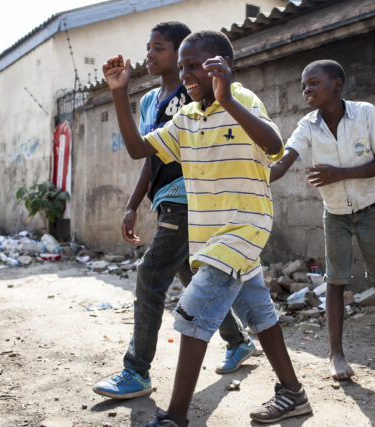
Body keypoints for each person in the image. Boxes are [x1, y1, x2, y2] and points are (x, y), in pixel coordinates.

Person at [103, 30, 312, 426]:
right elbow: (137, 150)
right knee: (258, 313)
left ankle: (175, 416)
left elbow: (273, 147)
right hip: (208, 235)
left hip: (245, 227)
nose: (185, 74)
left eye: (194, 66)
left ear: (219, 66)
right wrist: (118, 92)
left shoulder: (244, 100)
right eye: (182, 67)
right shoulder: (186, 119)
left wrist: (228, 98)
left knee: (194, 310)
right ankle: (292, 392)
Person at [92, 22, 258, 402]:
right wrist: (134, 204)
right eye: (147, 47)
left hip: (192, 198)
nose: (149, 54)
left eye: (159, 48)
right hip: (165, 197)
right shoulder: (150, 101)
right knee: (187, 274)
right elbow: (147, 154)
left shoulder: (198, 91)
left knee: (150, 276)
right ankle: (238, 341)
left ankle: (136, 370)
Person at [270, 59, 375, 381]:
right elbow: (284, 161)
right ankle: (336, 354)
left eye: (314, 82)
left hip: (371, 208)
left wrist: (340, 174)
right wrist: (253, 178)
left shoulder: (365, 113)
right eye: (303, 85)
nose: (306, 89)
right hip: (336, 213)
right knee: (336, 282)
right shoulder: (308, 125)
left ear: (336, 84)